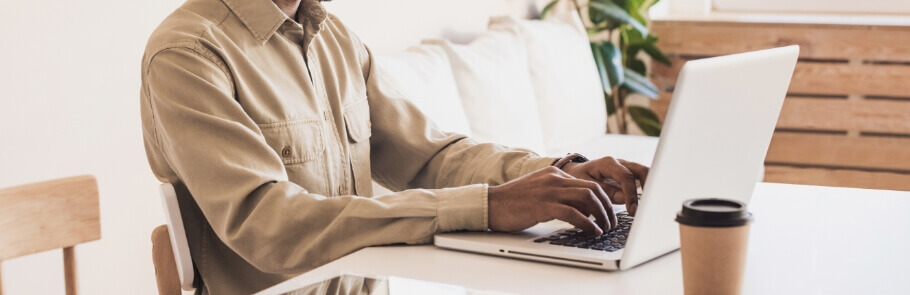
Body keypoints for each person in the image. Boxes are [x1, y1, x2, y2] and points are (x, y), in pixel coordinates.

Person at [140, 0, 649, 293]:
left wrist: (554, 174)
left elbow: (431, 154)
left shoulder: (333, 37)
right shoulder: (187, 55)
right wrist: (487, 207)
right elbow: (270, 224)